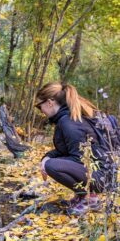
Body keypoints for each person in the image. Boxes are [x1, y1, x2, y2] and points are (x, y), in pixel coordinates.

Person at [36, 82, 107, 215]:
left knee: (52, 166)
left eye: (39, 106)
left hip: (100, 178)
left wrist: (48, 163)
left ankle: (89, 199)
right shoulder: (68, 118)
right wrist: (46, 157)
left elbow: (79, 159)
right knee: (50, 162)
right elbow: (66, 151)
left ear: (50, 102)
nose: (41, 111)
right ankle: (83, 196)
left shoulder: (68, 122)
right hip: (100, 174)